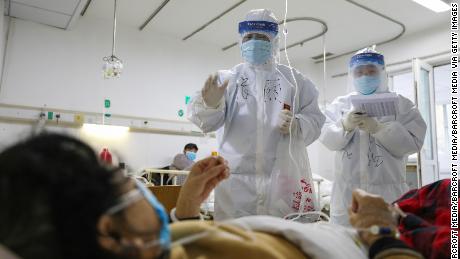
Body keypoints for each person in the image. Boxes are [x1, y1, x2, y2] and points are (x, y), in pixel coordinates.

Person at [0, 133, 433, 259]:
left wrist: (188, 206)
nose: (140, 190)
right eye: (125, 184)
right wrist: (378, 230)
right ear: (109, 232)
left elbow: (184, 250)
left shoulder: (151, 250)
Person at [188, 9, 325, 220]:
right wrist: (210, 104)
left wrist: (297, 125)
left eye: (261, 37)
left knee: (278, 246)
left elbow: (316, 120)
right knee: (236, 246)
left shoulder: (295, 81)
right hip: (235, 185)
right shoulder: (227, 80)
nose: (254, 42)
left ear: (274, 41)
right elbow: (205, 123)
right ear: (240, 41)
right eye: (248, 37)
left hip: (281, 182)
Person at [319, 47, 427, 226]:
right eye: (359, 72)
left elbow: (412, 144)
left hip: (388, 192)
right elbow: (327, 139)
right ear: (352, 75)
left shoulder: (402, 105)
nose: (365, 77)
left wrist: (379, 129)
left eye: (371, 71)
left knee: (385, 244)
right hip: (347, 194)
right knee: (347, 248)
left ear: (382, 72)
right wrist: (345, 125)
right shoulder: (341, 104)